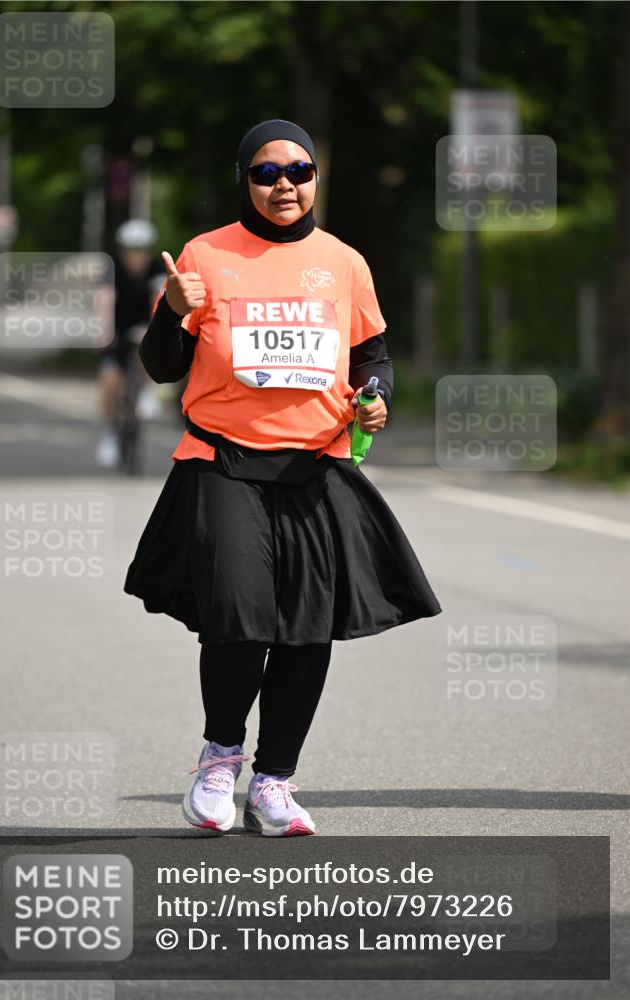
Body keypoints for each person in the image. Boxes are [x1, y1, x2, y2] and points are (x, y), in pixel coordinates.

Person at [124, 119, 442, 837]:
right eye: (266, 173)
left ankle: (273, 782)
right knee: (239, 616)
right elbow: (162, 367)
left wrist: (375, 396)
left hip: (316, 467)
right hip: (223, 462)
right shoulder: (206, 255)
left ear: (315, 178)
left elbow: (373, 355)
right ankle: (219, 759)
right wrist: (172, 312)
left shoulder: (343, 263)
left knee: (305, 632)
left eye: (298, 171)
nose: (284, 185)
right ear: (245, 180)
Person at [95, 219, 165, 467]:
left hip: (142, 328)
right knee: (110, 379)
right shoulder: (112, 270)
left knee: (147, 349)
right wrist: (104, 333)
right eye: (130, 250)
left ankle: (146, 392)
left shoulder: (156, 269)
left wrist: (154, 330)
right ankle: (109, 434)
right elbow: (104, 302)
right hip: (116, 331)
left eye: (141, 250)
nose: (135, 257)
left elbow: (157, 302)